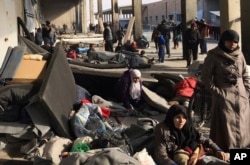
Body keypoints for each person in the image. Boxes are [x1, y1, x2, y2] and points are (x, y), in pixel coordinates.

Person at [200, 29, 250, 152]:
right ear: (223, 41)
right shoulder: (213, 55)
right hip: (224, 96)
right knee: (226, 127)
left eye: (235, 41)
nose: (232, 44)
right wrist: (218, 92)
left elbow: (245, 74)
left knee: (243, 126)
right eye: (229, 41)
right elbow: (206, 77)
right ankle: (225, 153)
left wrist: (247, 91)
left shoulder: (239, 54)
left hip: (241, 96)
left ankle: (242, 154)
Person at [153, 104, 230, 165]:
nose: (181, 121)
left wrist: (218, 150)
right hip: (177, 157)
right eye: (177, 117)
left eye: (184, 117)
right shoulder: (163, 130)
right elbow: (160, 154)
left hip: (194, 152)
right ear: (171, 118)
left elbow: (205, 139)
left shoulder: (188, 127)